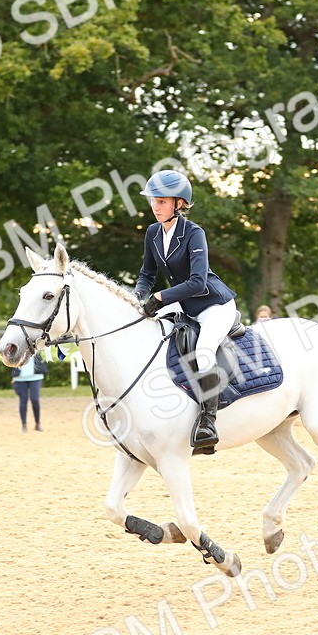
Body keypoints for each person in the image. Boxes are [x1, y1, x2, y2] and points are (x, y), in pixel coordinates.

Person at [133, 169, 238, 451]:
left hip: (214, 305)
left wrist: (161, 297)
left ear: (179, 204)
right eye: (154, 201)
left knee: (203, 352)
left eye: (162, 202)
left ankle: (208, 421)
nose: (156, 207)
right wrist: (139, 296)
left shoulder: (194, 233)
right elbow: (147, 273)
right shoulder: (153, 232)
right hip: (183, 303)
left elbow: (197, 281)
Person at [11, 349, 46, 432]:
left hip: (36, 376)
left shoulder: (34, 342)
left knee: (35, 399)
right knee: (23, 400)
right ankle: (24, 425)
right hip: (20, 377)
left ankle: (37, 423)